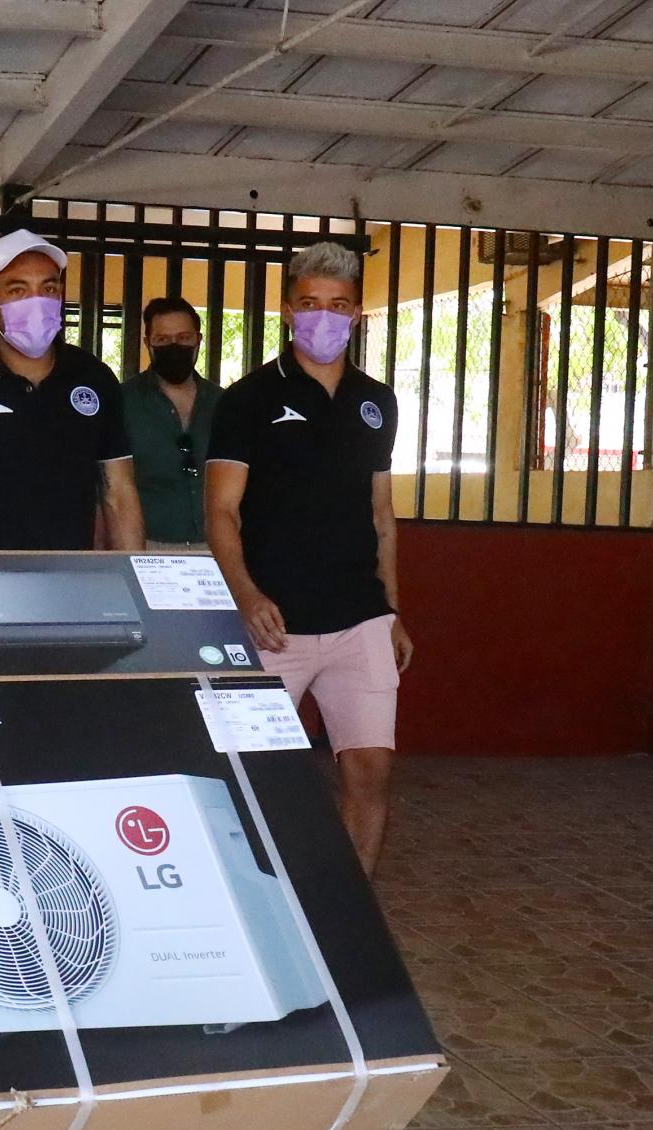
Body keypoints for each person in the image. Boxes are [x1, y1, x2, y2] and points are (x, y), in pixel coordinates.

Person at [205, 241, 413, 876]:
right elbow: (220, 512)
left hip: (359, 620)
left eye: (339, 305)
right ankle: (252, 902)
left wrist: (392, 611)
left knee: (371, 771)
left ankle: (351, 913)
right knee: (248, 776)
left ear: (357, 312)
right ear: (288, 309)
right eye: (311, 303)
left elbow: (382, 514)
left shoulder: (377, 402)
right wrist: (246, 596)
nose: (325, 316)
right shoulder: (248, 399)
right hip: (274, 624)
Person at [0, 228, 144, 551]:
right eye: (18, 290)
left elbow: (119, 495)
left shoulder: (95, 379)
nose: (36, 302)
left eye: (48, 288)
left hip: (71, 575)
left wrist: (134, 573)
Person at [122, 298, 220, 551]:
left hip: (217, 547)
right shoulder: (122, 402)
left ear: (198, 340)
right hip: (147, 547)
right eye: (163, 340)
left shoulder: (224, 403)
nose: (174, 347)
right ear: (148, 343)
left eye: (183, 338)